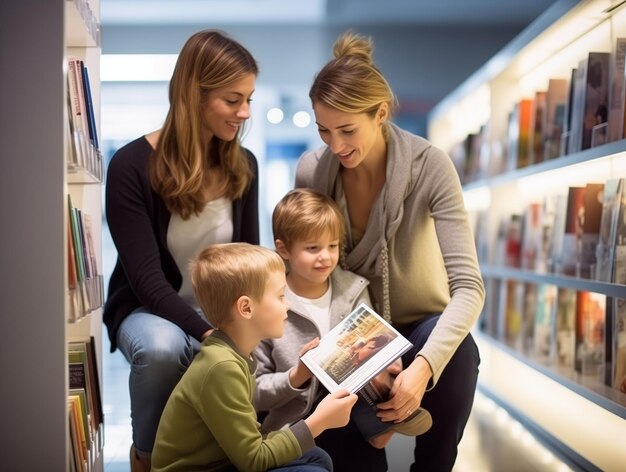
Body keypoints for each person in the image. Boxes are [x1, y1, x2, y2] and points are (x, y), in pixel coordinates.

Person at [295, 31, 485, 471]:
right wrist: (361, 357)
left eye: (347, 130)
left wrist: (422, 368)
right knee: (353, 461)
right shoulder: (313, 170)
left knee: (459, 353)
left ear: (380, 113)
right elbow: (306, 278)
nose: (335, 145)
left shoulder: (430, 165)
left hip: (420, 327)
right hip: (345, 335)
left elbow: (469, 287)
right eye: (323, 130)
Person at [103, 30, 260, 471]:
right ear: (194, 94)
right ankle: (148, 459)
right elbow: (147, 280)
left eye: (248, 98)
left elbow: (249, 257)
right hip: (149, 310)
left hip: (220, 312)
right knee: (162, 350)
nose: (244, 112)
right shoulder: (131, 166)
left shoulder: (244, 165)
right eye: (233, 100)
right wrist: (211, 334)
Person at [253, 188, 431, 468]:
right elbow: (255, 391)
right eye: (313, 248)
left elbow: (378, 340)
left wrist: (389, 364)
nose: (325, 256)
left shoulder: (353, 288)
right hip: (298, 425)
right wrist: (297, 375)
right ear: (283, 249)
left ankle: (387, 423)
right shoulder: (268, 302)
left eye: (333, 246)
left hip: (354, 417)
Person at [151, 243, 358, 472]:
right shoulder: (222, 367)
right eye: (280, 296)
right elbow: (253, 460)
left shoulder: (234, 354)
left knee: (316, 458)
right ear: (246, 308)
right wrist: (318, 422)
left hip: (222, 461)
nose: (287, 304)